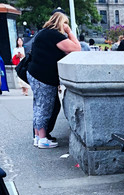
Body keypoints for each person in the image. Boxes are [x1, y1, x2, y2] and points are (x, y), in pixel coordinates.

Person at [27, 11, 80, 148]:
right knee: (45, 107)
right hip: (44, 76)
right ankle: (43, 139)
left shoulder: (43, 33)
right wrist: (69, 31)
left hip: (34, 73)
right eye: (66, 23)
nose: (66, 26)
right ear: (62, 22)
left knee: (38, 107)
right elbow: (77, 48)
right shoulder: (54, 35)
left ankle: (38, 137)